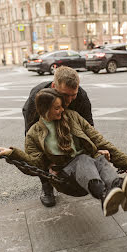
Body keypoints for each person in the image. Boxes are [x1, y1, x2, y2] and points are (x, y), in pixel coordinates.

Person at [0, 89, 127, 217]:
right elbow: (36, 164)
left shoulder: (72, 117)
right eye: (57, 108)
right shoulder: (34, 134)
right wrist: (12, 154)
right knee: (83, 159)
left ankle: (120, 189)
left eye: (61, 106)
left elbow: (97, 139)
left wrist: (124, 161)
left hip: (87, 166)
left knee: (99, 158)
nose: (62, 110)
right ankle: (104, 195)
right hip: (65, 177)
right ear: (45, 110)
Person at [22, 66, 94, 208]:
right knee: (46, 147)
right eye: (65, 95)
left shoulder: (81, 97)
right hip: (44, 127)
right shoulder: (37, 98)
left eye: (73, 95)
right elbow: (33, 139)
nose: (69, 100)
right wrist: (47, 165)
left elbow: (89, 128)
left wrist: (93, 152)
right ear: (54, 86)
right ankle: (47, 187)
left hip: (68, 126)